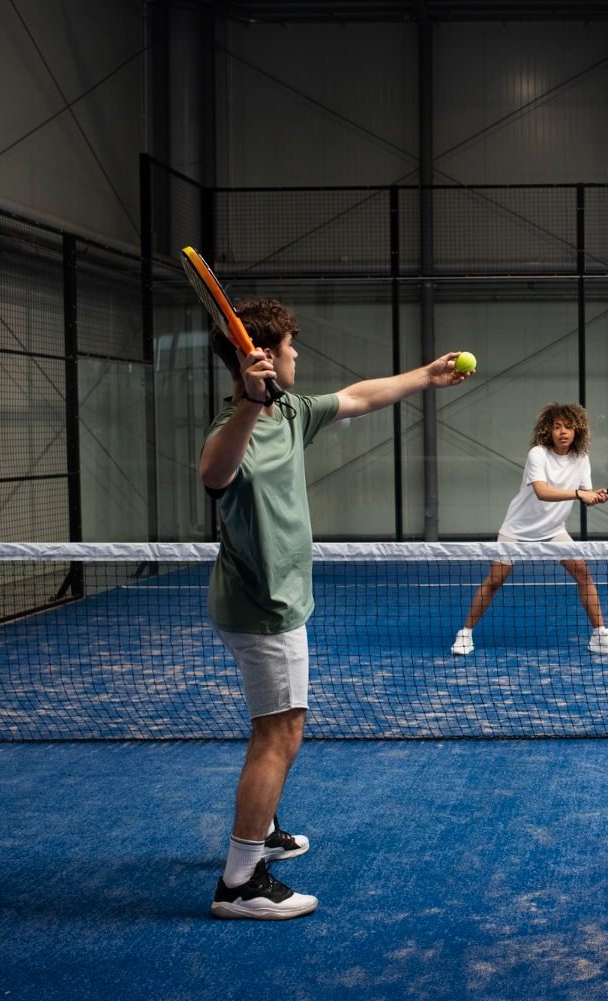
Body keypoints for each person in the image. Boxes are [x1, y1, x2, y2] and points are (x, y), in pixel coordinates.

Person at [199, 298, 469, 919]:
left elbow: (357, 397)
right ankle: (240, 881)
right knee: (281, 734)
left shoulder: (290, 409)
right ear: (260, 356)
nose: (298, 355)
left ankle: (262, 832)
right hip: (263, 605)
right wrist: (246, 400)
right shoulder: (235, 423)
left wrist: (426, 376)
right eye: (290, 346)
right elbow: (214, 475)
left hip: (277, 596)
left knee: (273, 726)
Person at [451, 402, 608, 657]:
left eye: (568, 426)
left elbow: (584, 494)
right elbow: (542, 492)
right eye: (557, 427)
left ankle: (600, 634)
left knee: (583, 573)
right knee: (495, 580)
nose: (563, 432)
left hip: (554, 529)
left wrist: (596, 496)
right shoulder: (538, 454)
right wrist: (580, 494)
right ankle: (464, 633)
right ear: (548, 430)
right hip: (517, 529)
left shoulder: (581, 458)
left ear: (577, 431)